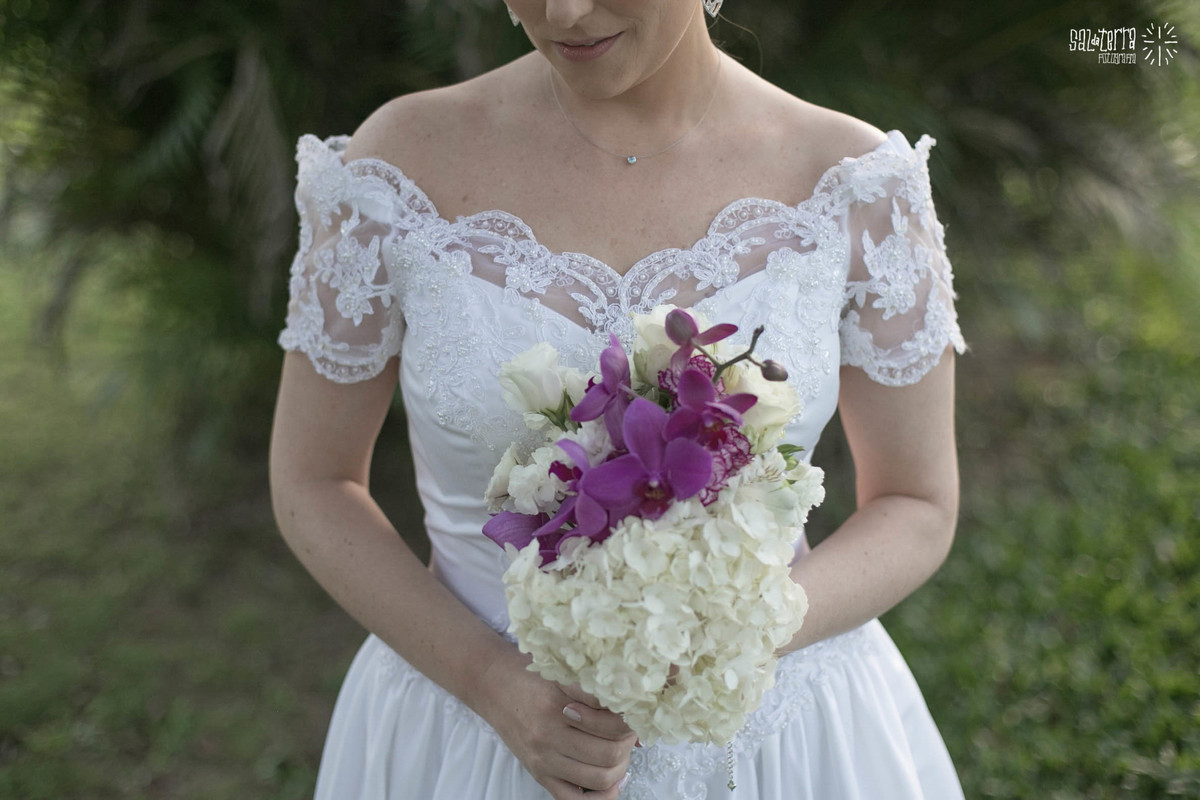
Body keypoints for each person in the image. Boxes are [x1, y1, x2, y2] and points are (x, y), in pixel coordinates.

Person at [268, 0, 969, 797]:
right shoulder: (398, 167)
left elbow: (917, 503)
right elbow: (314, 483)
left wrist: (730, 632)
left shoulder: (854, 184)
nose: (562, 11)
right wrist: (493, 684)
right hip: (469, 736)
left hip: (776, 742)